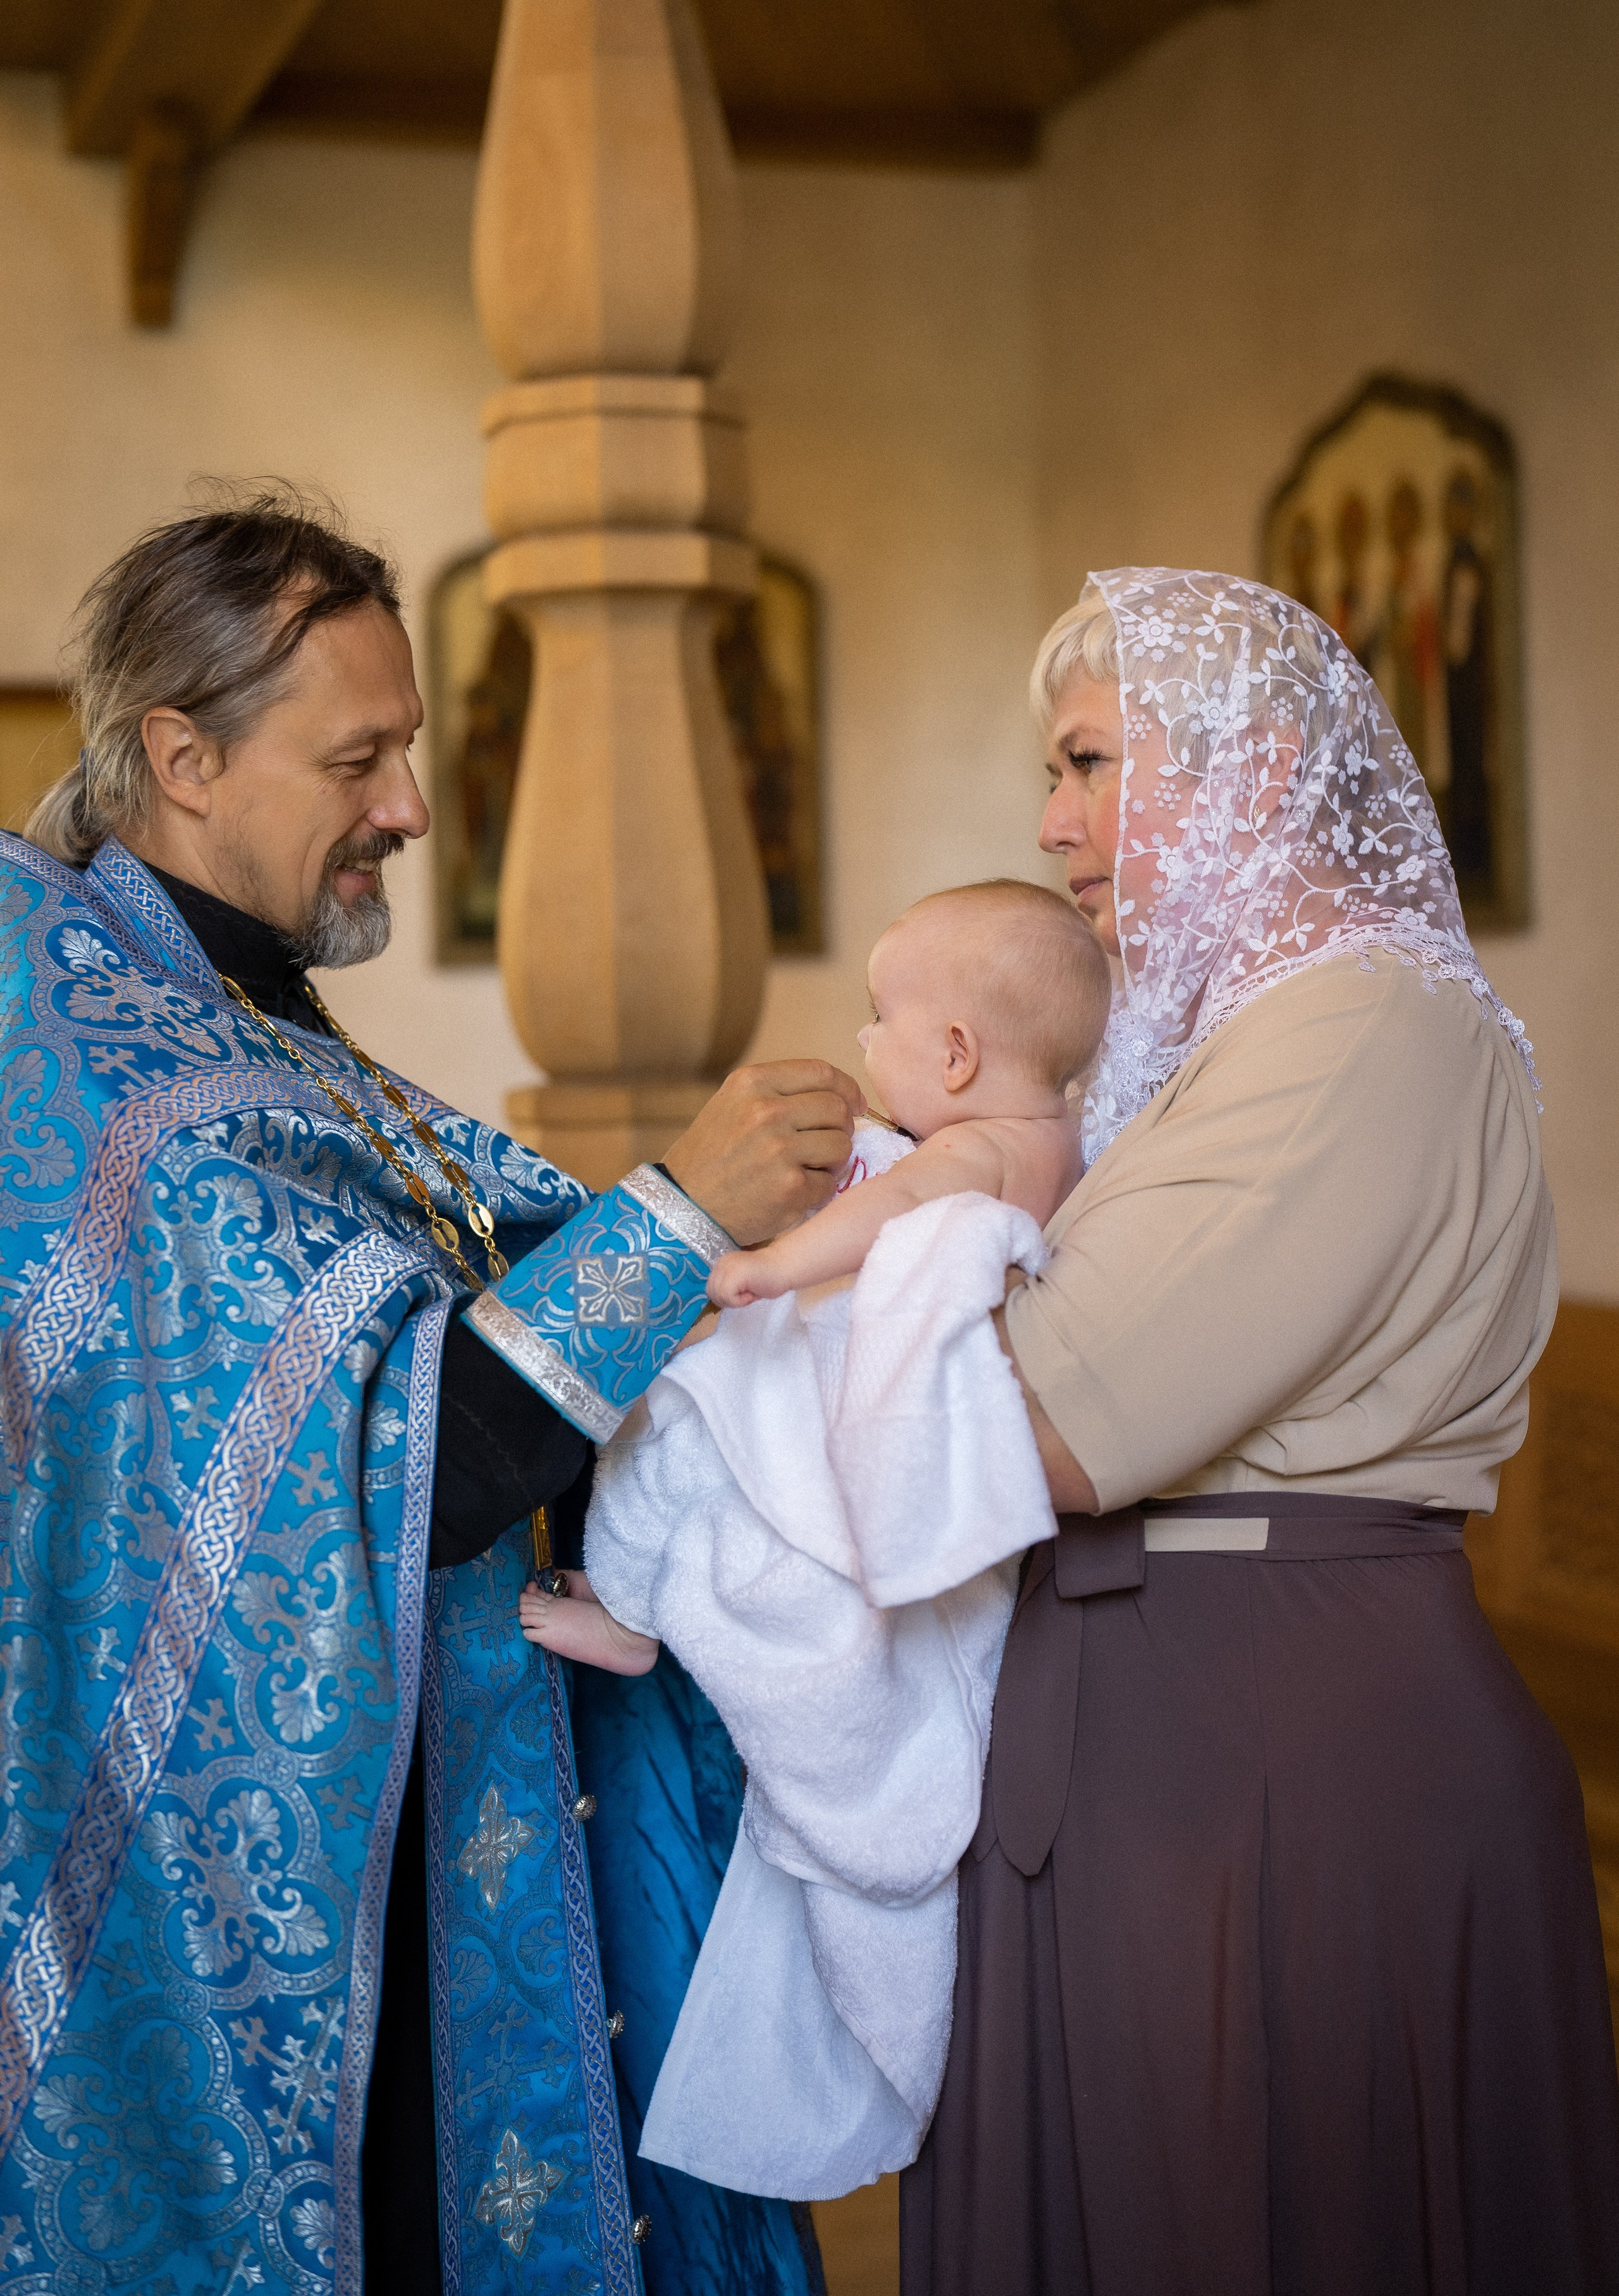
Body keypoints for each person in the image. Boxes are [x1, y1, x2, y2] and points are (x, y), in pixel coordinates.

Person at [0, 493, 857, 2296]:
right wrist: (678, 1213)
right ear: (185, 757)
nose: (406, 806)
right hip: (264, 1905)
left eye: (405, 750)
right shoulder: (108, 1070)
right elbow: (403, 1461)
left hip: (428, 1823)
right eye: (358, 759)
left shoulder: (252, 1027)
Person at [902, 567, 1619, 2295]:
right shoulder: (1228, 1034)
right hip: (1179, 1737)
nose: (1052, 821)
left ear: (1261, 765)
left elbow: (1036, 1419)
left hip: (1282, 1757)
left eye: (1088, 761)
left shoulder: (1362, 1019)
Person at [519, 878, 1104, 1678]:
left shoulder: (972, 1150)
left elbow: (892, 1206)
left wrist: (769, 1265)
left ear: (956, 1056)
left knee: (673, 1428)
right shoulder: (1063, 1144)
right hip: (959, 1400)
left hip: (843, 1386)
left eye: (879, 1017)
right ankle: (634, 1593)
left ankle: (631, 1617)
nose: (864, 1036)